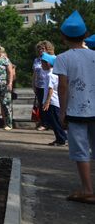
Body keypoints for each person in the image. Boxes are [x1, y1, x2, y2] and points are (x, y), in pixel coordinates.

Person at [53, 11, 95, 204]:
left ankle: (87, 189)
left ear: (63, 37)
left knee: (81, 151)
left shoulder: (63, 58)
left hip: (76, 112)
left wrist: (62, 112)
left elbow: (62, 87)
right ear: (86, 35)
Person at [40, 52, 67, 146]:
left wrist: (47, 102)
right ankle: (62, 137)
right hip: (56, 101)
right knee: (55, 121)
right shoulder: (55, 73)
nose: (41, 65)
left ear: (47, 63)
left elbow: (50, 89)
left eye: (42, 63)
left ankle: (61, 139)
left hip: (52, 102)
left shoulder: (50, 75)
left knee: (54, 122)